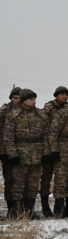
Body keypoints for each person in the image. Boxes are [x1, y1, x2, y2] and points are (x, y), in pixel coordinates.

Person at [3, 89, 50, 219]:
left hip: (37, 154)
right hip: (20, 155)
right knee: (18, 185)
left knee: (33, 185)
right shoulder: (13, 115)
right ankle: (17, 211)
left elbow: (46, 136)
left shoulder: (40, 115)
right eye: (31, 99)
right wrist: (12, 155)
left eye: (35, 99)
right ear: (24, 100)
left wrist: (46, 153)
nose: (34, 101)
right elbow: (8, 137)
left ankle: (29, 211)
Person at [40, 86, 68, 217]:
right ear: (56, 95)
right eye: (62, 94)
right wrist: (47, 150)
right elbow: (44, 129)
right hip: (48, 147)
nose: (65, 97)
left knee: (61, 178)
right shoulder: (49, 108)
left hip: (62, 148)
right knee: (46, 179)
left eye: (66, 95)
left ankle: (60, 206)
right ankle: (45, 207)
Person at [0, 87, 22, 215]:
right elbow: (2, 134)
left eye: (20, 98)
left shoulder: (24, 110)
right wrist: (3, 152)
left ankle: (21, 208)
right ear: (10, 98)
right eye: (15, 98)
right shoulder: (4, 111)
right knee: (9, 180)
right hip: (7, 151)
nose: (18, 100)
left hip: (22, 151)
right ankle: (11, 209)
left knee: (20, 181)